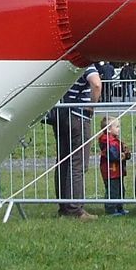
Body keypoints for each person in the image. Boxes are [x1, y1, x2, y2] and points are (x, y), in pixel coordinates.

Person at [51, 64, 102, 218]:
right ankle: (74, 209)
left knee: (63, 162)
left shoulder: (64, 64)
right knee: (77, 164)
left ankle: (64, 207)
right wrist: (92, 106)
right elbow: (96, 84)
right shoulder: (85, 64)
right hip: (78, 117)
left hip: (61, 114)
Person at [97, 116, 129, 214]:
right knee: (112, 190)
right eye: (117, 126)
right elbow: (113, 155)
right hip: (111, 171)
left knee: (120, 189)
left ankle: (119, 207)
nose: (119, 129)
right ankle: (111, 209)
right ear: (109, 129)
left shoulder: (116, 141)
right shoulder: (107, 142)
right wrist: (123, 155)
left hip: (118, 171)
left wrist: (126, 153)